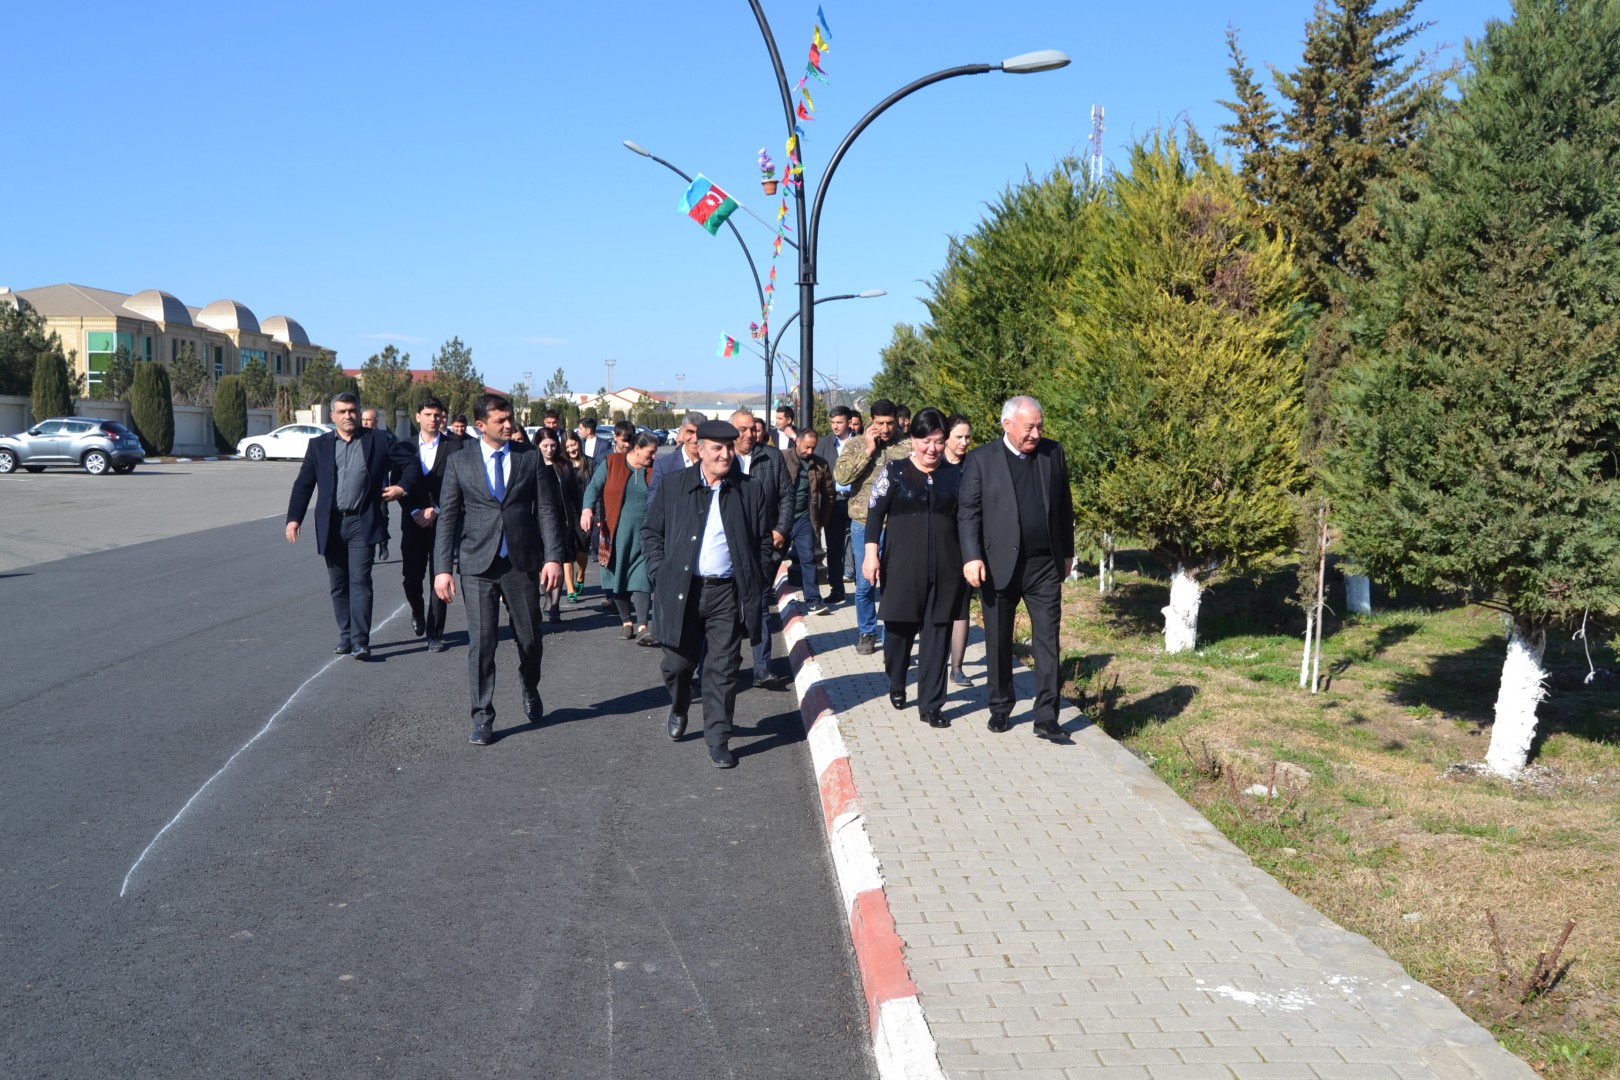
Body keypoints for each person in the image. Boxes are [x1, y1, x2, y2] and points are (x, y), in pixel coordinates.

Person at [433, 393, 567, 745]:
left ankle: (529, 683)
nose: (509, 425)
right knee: (482, 642)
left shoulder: (530, 458)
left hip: (521, 563)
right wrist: (442, 568)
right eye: (500, 421)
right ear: (481, 426)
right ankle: (482, 716)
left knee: (530, 637)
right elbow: (448, 518)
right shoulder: (460, 462)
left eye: (510, 419)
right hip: (477, 564)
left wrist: (553, 557)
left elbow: (548, 511)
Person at [642, 419, 776, 768]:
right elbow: (651, 533)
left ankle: (718, 738)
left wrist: (757, 576)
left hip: (727, 594)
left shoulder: (750, 489)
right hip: (682, 591)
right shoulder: (674, 486)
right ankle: (680, 703)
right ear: (699, 449)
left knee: (723, 669)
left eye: (730, 447)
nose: (725, 454)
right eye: (717, 448)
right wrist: (660, 574)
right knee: (677, 666)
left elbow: (764, 540)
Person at [958, 395, 1075, 740]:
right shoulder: (981, 460)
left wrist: (1067, 552)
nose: (1036, 434)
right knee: (998, 639)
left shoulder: (1053, 453)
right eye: (1030, 427)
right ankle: (999, 706)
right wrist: (971, 556)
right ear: (1007, 425)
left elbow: (1064, 505)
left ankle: (1046, 717)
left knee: (1047, 640)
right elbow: (968, 512)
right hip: (998, 565)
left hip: (1043, 565)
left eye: (1040, 426)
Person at [286, 392, 418, 660]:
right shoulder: (319, 445)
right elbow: (304, 485)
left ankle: (360, 641)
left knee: (360, 580)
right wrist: (293, 518)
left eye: (352, 411)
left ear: (359, 413)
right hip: (331, 523)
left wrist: (401, 487)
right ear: (332, 415)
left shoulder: (378, 440)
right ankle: (345, 635)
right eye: (342, 411)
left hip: (363, 521)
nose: (348, 416)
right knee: (338, 583)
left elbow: (411, 463)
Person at [865, 408, 969, 729]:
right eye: (926, 441)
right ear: (913, 439)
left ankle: (932, 704)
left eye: (938, 441)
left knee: (937, 634)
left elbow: (968, 518)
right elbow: (873, 513)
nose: (932, 449)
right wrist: (871, 554)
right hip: (902, 567)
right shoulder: (894, 471)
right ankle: (897, 680)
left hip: (946, 569)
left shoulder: (956, 475)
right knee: (897, 635)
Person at [833, 399, 911, 655]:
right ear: (871, 420)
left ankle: (891, 637)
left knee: (892, 584)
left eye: (890, 423)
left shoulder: (907, 445)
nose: (886, 429)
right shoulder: (856, 443)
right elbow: (842, 477)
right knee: (865, 583)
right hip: (863, 523)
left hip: (898, 525)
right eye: (880, 423)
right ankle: (867, 632)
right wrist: (868, 450)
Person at [731, 409, 794, 688]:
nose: (748, 435)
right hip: (729, 546)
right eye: (741, 430)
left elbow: (787, 495)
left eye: (752, 429)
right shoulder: (723, 459)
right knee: (726, 609)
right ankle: (724, 664)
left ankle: (762, 667)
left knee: (759, 605)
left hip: (763, 545)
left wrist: (781, 529)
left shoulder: (772, 457)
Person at [581, 431, 660, 643]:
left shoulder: (654, 470)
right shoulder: (611, 462)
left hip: (644, 533)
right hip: (615, 532)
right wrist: (587, 509)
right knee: (618, 576)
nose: (653, 456)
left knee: (642, 577)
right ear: (637, 448)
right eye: (650, 452)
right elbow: (593, 488)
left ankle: (643, 624)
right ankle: (627, 621)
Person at [399, 395, 463, 651]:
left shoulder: (456, 447)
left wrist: (437, 510)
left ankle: (435, 633)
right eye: (428, 414)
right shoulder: (405, 448)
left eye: (437, 415)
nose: (433, 419)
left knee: (440, 576)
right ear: (418, 417)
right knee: (411, 579)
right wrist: (414, 510)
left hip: (443, 522)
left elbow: (459, 487)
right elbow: (397, 485)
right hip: (412, 521)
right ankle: (417, 610)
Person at [782, 428, 835, 614]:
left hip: (805, 518)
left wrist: (821, 520)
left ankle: (813, 600)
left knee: (808, 559)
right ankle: (763, 596)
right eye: (806, 447)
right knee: (772, 559)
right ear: (797, 442)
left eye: (813, 447)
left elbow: (829, 494)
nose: (810, 451)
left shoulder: (820, 465)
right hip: (782, 518)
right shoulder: (782, 458)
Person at [944, 413, 975, 686]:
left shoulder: (973, 466)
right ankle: (933, 660)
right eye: (959, 437)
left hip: (964, 545)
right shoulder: (934, 464)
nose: (964, 442)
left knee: (961, 607)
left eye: (968, 437)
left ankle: (957, 667)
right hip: (937, 543)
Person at [536, 429, 576, 622]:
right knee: (544, 562)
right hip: (539, 520)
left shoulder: (564, 465)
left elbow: (575, 493)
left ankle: (555, 604)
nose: (549, 449)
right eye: (545, 446)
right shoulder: (532, 465)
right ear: (537, 446)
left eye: (553, 445)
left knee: (558, 560)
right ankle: (546, 596)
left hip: (562, 520)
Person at [823, 406, 855, 603]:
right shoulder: (825, 443)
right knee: (834, 547)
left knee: (859, 546)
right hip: (833, 501)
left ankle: (863, 589)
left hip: (856, 500)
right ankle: (836, 589)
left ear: (849, 423)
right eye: (833, 423)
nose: (835, 427)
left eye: (839, 422)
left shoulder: (860, 442)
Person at [560, 431, 594, 602]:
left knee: (581, 550)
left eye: (573, 444)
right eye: (567, 446)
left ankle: (580, 576)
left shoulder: (590, 463)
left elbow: (596, 487)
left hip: (585, 512)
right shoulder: (561, 465)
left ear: (579, 443)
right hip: (566, 512)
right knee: (567, 551)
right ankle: (570, 588)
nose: (571, 448)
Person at [361, 407, 397, 562]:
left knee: (382, 515)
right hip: (362, 487)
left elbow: (392, 461)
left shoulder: (387, 437)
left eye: (369, 419)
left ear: (377, 420)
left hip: (381, 485)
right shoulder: (357, 437)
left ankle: (383, 542)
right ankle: (366, 549)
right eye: (363, 420)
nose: (365, 422)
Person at [649, 411, 706, 499]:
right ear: (681, 431)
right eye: (690, 432)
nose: (695, 439)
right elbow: (654, 505)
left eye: (699, 434)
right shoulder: (664, 466)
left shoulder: (714, 463)